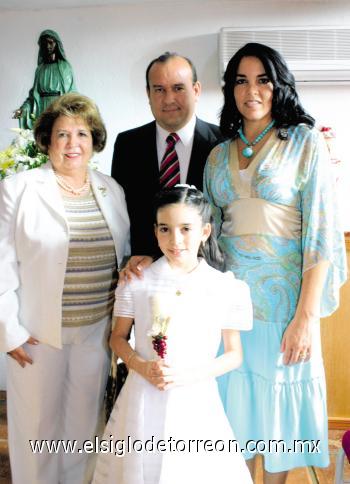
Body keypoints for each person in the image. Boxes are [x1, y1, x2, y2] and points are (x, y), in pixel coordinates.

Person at [203, 42, 347, 483]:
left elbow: (320, 233)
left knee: (279, 422)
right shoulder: (215, 154)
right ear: (230, 89)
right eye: (241, 81)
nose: (252, 90)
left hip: (286, 308)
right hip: (232, 309)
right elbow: (205, 240)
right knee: (237, 420)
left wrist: (305, 317)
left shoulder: (303, 142)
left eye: (263, 79)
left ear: (278, 84)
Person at [0, 93, 130, 484]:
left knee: (83, 431)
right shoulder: (17, 189)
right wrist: (9, 332)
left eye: (82, 134)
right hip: (37, 336)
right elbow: (0, 265)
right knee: (38, 432)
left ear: (94, 140)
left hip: (95, 332)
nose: (73, 144)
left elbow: (122, 258)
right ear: (46, 140)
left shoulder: (112, 190)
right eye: (62, 135)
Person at [92, 185, 253, 484]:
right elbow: (117, 337)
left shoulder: (225, 287)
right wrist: (141, 365)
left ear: (205, 231)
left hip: (196, 396)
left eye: (186, 229)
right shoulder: (137, 281)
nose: (175, 240)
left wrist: (189, 375)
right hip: (143, 393)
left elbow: (234, 355)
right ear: (154, 231)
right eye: (165, 229)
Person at [111, 52, 223, 261]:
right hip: (145, 272)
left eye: (178, 88)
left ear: (196, 90)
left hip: (207, 273)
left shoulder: (223, 143)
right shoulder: (128, 145)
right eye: (159, 89)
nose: (169, 99)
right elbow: (121, 215)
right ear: (148, 93)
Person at [13, 29, 77, 130]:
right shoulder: (40, 69)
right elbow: (34, 96)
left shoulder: (65, 67)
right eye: (44, 43)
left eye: (50, 42)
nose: (48, 46)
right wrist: (23, 109)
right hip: (42, 109)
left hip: (58, 108)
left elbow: (71, 93)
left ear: (57, 44)